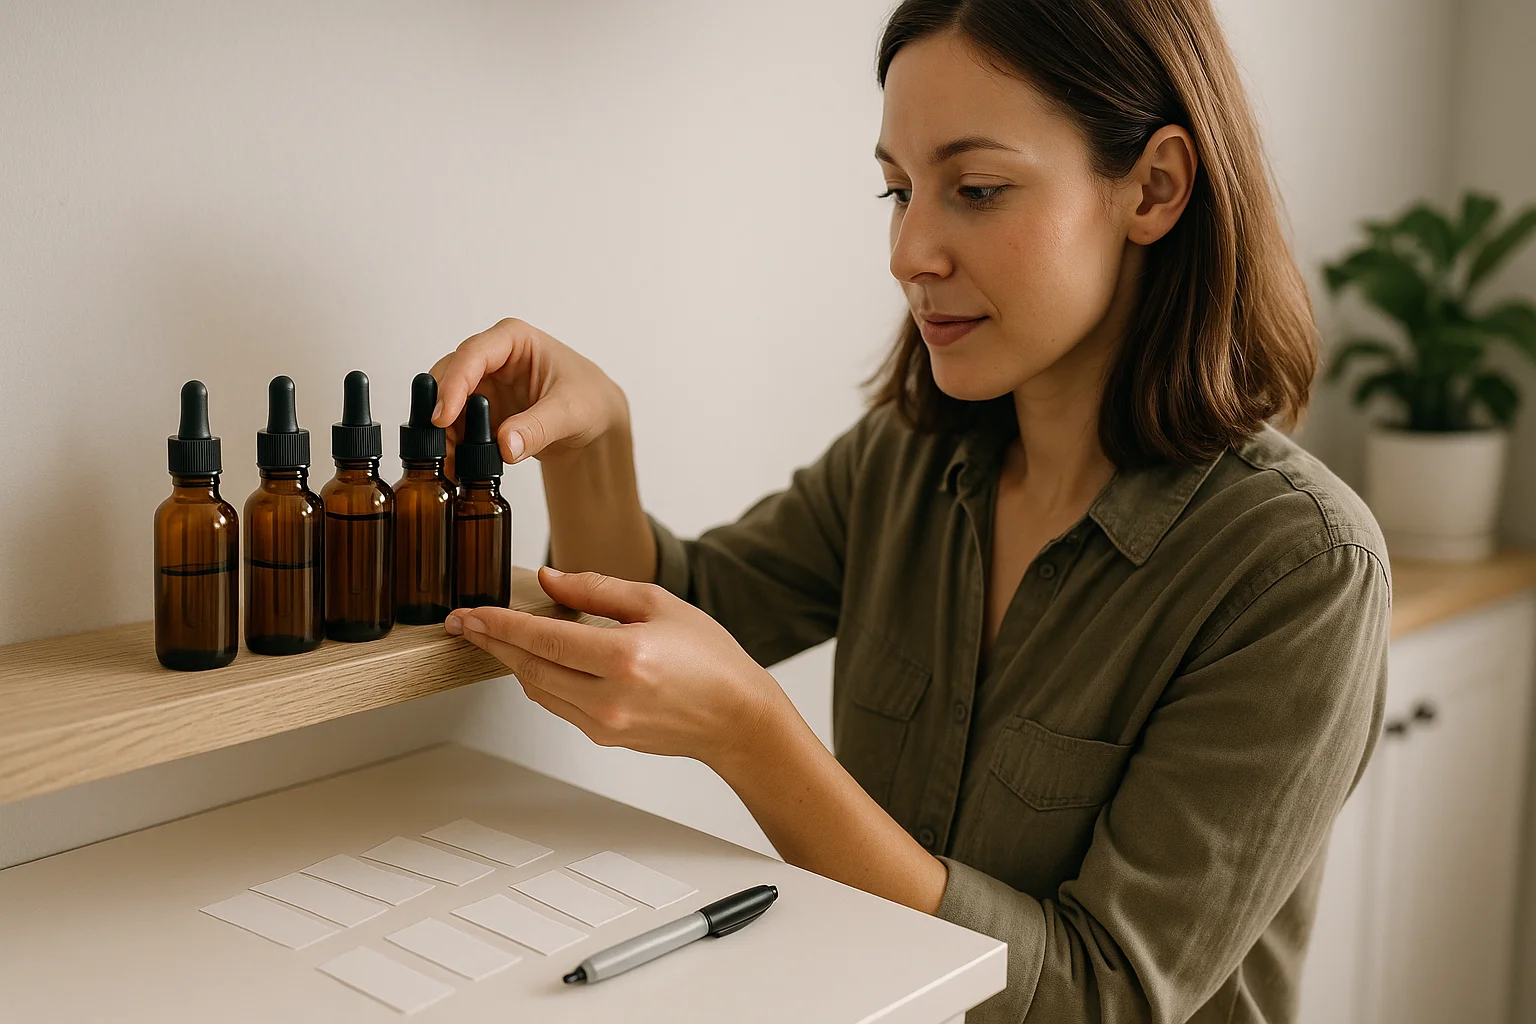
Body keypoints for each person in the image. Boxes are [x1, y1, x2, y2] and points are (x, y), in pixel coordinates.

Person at [429, 1, 1390, 1020]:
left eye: (976, 190)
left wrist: (757, 740)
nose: (909, 250)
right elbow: (659, 623)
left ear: (1152, 188)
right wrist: (594, 443)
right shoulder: (908, 460)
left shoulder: (1301, 570)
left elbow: (1098, 996)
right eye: (898, 191)